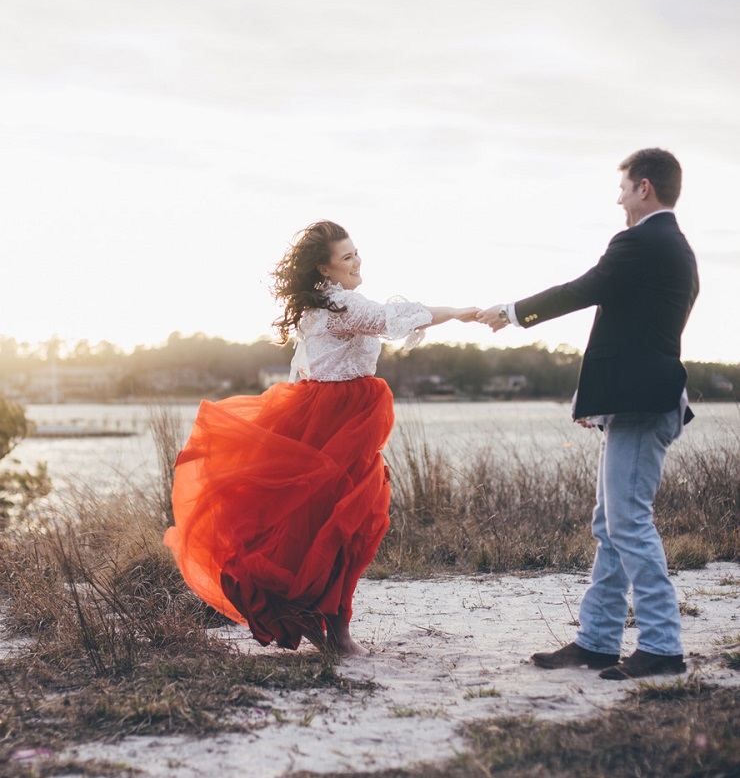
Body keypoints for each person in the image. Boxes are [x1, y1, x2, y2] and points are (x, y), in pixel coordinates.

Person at [164, 220, 478, 655]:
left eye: (356, 252)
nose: (357, 261)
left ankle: (326, 623)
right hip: (336, 422)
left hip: (333, 417)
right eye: (346, 257)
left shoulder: (323, 304)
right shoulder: (341, 307)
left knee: (336, 524)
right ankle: (335, 630)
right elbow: (392, 318)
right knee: (347, 523)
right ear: (325, 270)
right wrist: (464, 312)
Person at [478, 147, 699, 680]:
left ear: (644, 187)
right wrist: (597, 402)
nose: (618, 196)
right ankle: (597, 641)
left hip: (644, 405)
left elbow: (584, 290)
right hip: (638, 401)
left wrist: (512, 313)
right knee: (612, 524)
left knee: (628, 523)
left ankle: (663, 647)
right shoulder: (675, 248)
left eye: (623, 186)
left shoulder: (642, 241)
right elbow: (632, 328)